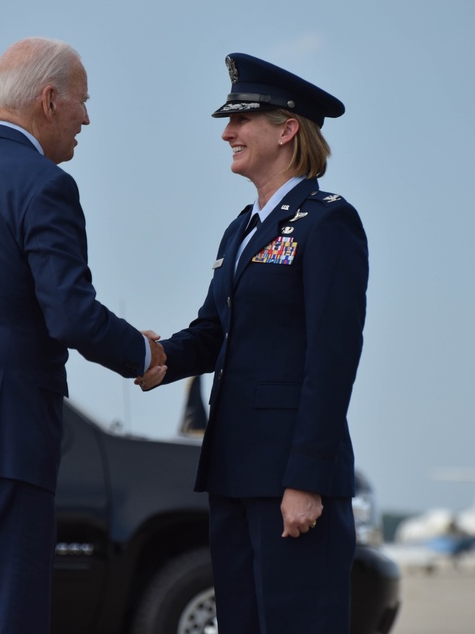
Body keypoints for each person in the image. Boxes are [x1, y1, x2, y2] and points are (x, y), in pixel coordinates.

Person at [0, 37, 165, 634]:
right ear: (49, 99)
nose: (87, 118)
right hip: (2, 437)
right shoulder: (44, 185)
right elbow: (69, 313)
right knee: (10, 619)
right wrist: (145, 353)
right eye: (82, 101)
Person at [136, 53, 368, 633]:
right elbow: (215, 332)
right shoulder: (241, 229)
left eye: (242, 120)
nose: (227, 133)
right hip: (235, 471)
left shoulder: (327, 222)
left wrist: (307, 479)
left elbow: (332, 358)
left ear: (288, 129)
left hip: (290, 479)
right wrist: (154, 358)